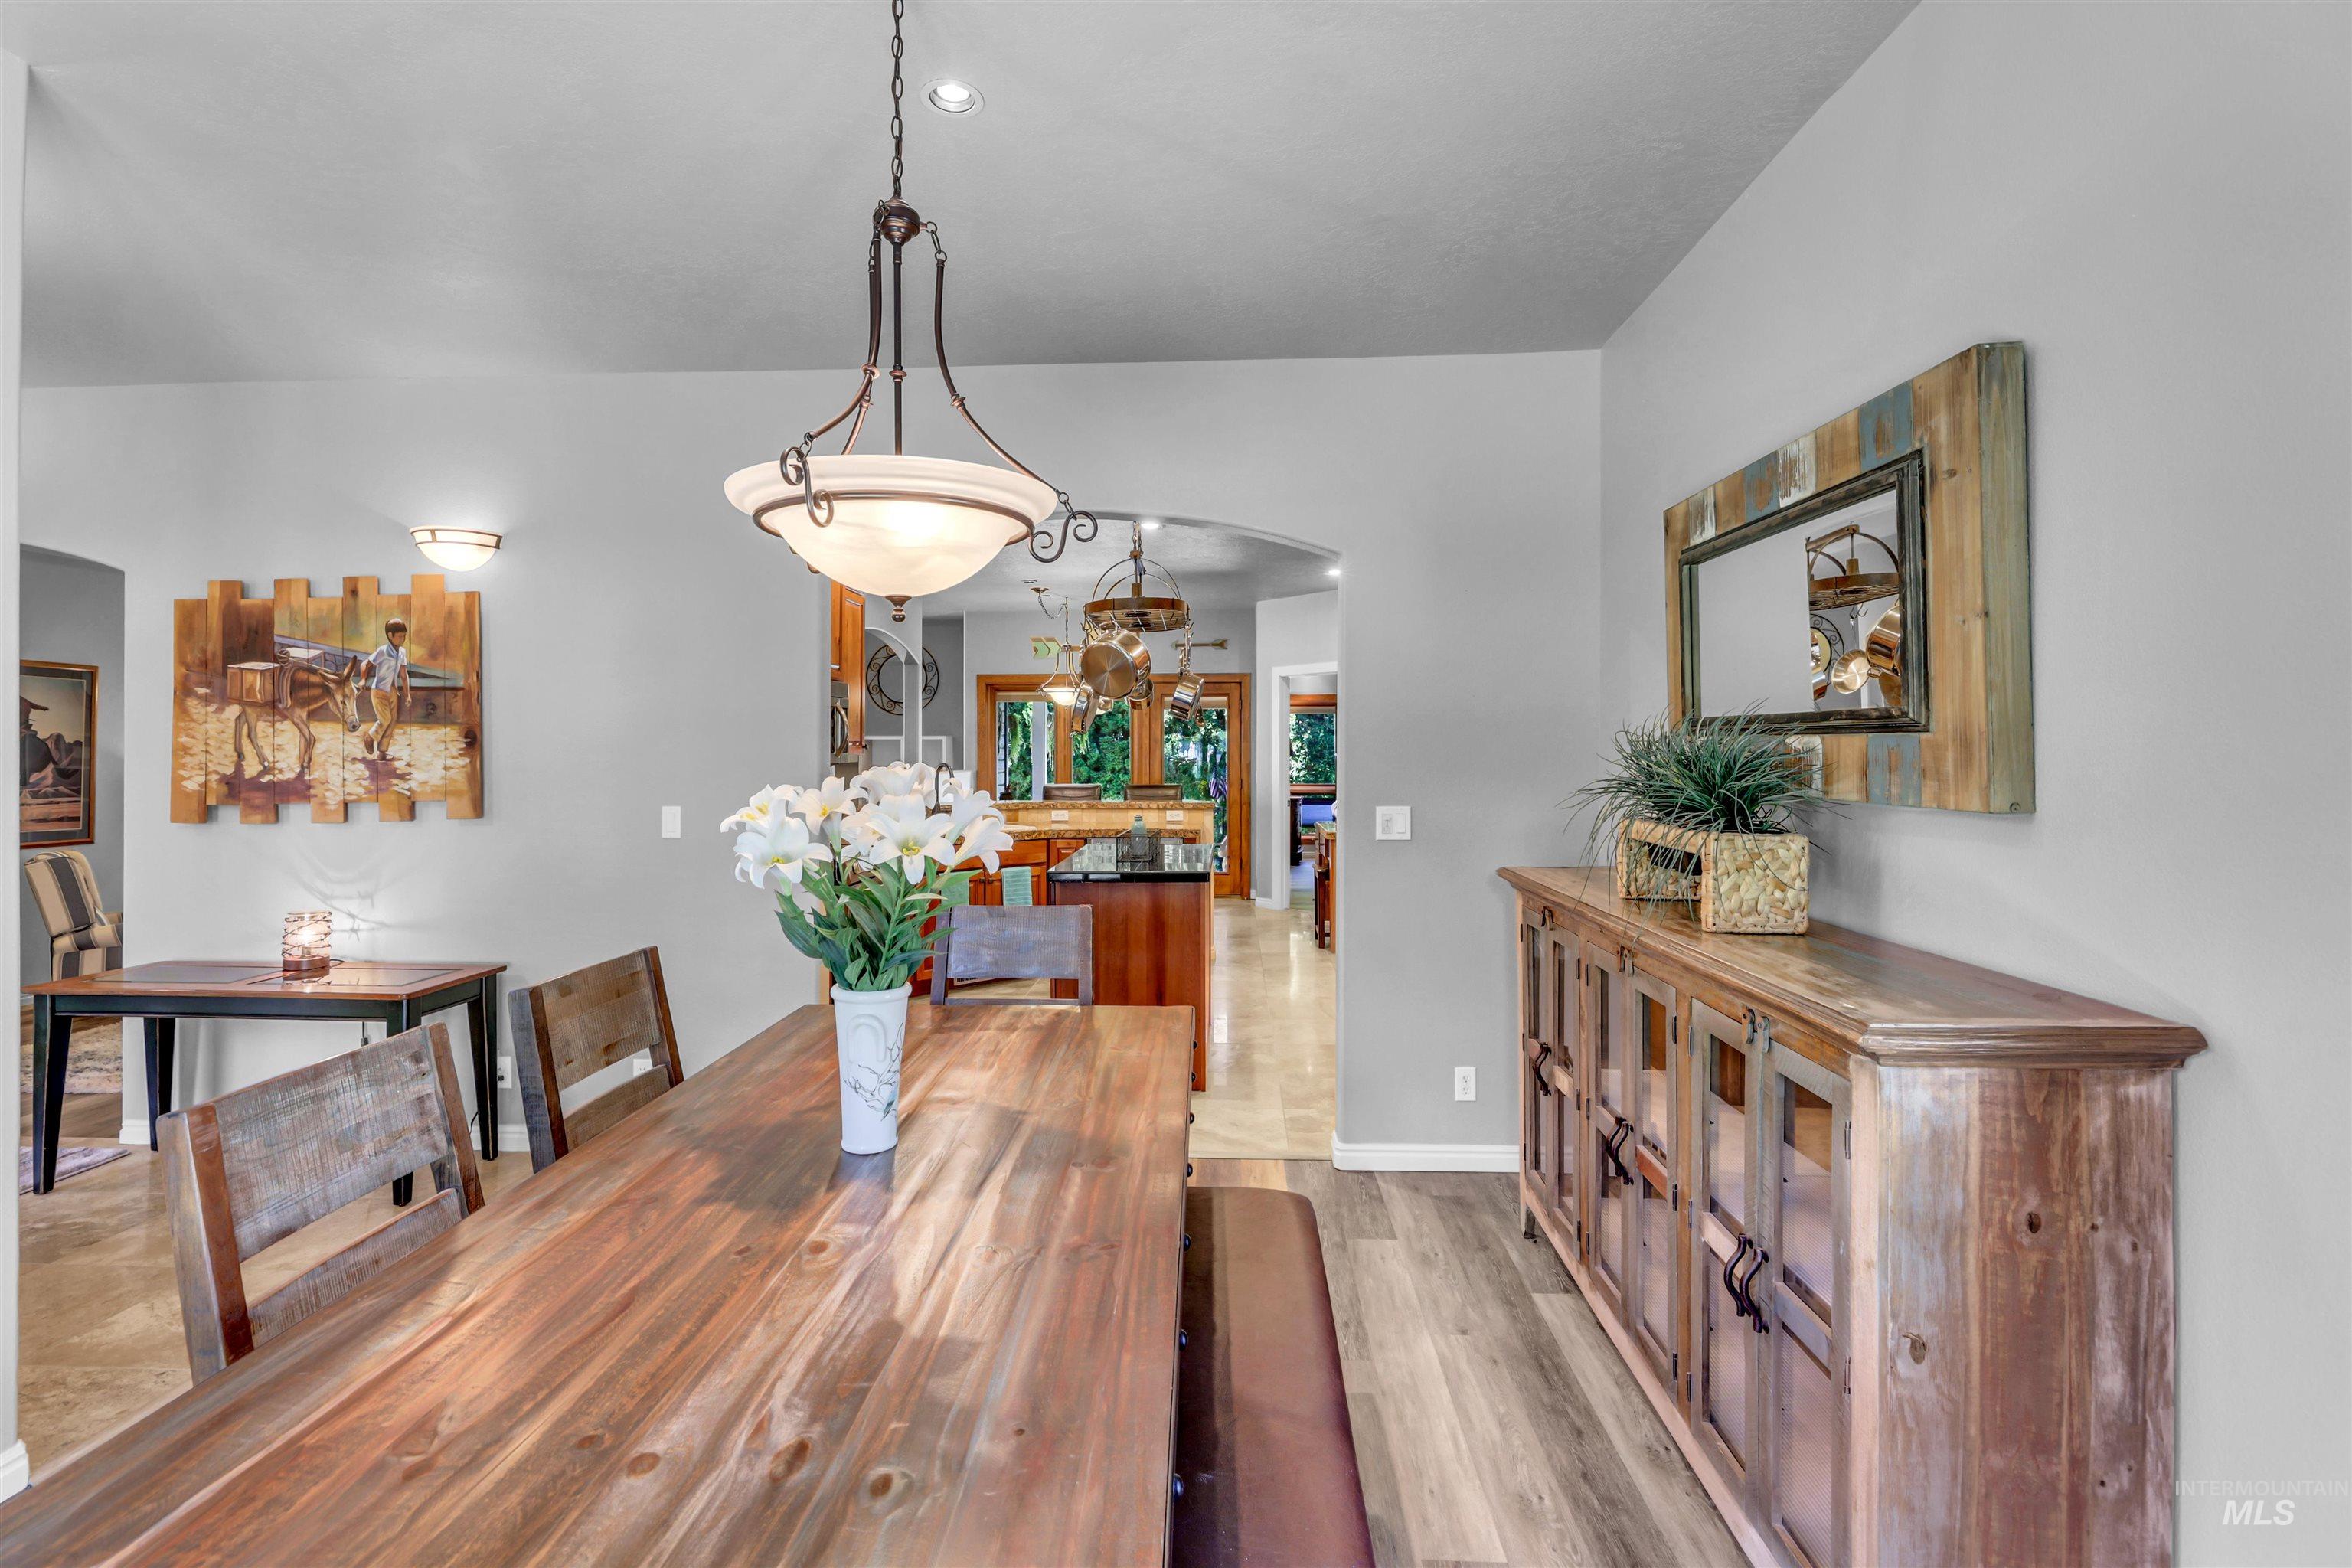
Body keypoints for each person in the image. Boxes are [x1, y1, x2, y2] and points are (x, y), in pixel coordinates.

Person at [361, 617, 411, 757]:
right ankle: (370, 737)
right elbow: (366, 664)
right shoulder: (383, 651)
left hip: (393, 691)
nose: (403, 639)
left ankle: (382, 753)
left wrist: (407, 695)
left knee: (392, 722)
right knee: (385, 720)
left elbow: (403, 674)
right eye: (400, 636)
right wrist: (363, 680)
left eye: (404, 636)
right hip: (379, 691)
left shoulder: (402, 652)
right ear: (390, 636)